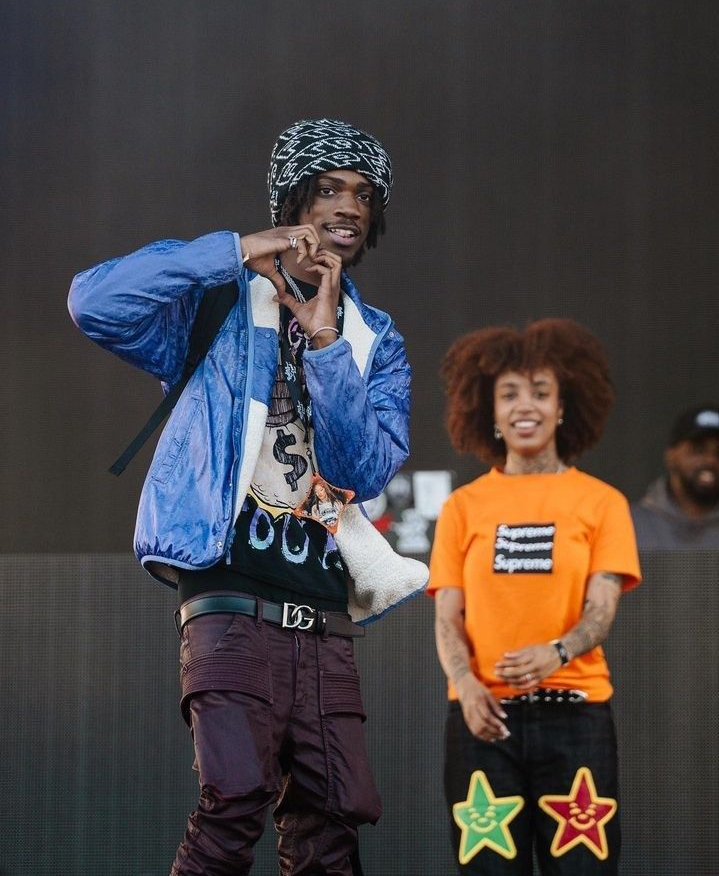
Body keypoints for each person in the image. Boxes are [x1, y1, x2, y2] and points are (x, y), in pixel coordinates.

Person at [68, 118, 426, 876]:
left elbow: (361, 469)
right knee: (233, 802)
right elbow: (93, 302)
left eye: (364, 195)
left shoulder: (374, 338)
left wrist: (327, 346)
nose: (349, 207)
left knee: (334, 821)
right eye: (329, 188)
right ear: (293, 198)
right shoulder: (217, 304)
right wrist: (233, 249)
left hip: (323, 615)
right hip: (229, 603)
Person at [428, 319, 641, 876]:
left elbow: (602, 607)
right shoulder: (463, 508)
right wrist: (466, 687)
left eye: (542, 393)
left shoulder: (602, 503)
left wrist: (558, 652)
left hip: (578, 720)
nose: (527, 406)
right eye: (510, 394)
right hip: (482, 724)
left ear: (564, 408)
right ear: (490, 412)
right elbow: (448, 615)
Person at [631, 404, 719, 549]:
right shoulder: (630, 523)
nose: (710, 460)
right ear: (671, 456)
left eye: (718, 452)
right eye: (697, 449)